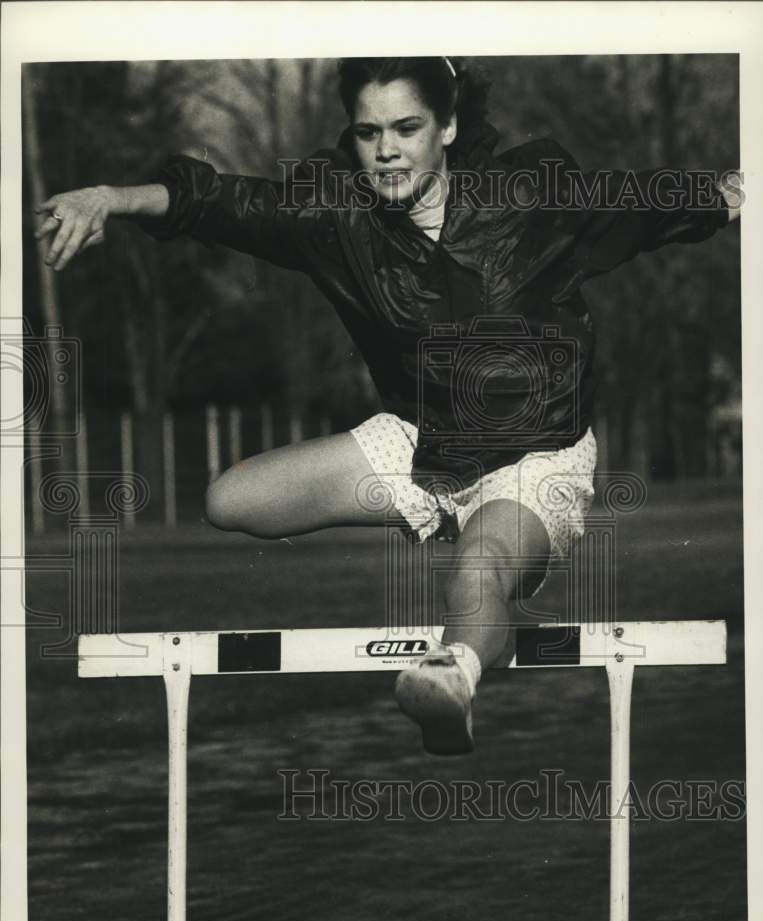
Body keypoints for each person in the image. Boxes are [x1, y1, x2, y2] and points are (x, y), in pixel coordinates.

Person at [34, 56, 740, 756]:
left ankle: (450, 676)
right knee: (232, 499)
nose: (387, 150)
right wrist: (105, 197)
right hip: (421, 442)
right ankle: (446, 521)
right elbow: (218, 201)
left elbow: (647, 200)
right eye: (368, 132)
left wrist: (731, 193)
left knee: (482, 560)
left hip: (536, 450)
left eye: (406, 127)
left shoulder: (531, 197)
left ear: (449, 125)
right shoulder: (337, 215)